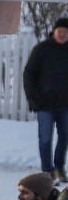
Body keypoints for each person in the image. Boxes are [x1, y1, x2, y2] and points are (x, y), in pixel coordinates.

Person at [24, 15, 68, 178]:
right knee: (45, 139)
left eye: (65, 31)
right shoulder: (41, 50)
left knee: (65, 137)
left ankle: (59, 167)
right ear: (54, 31)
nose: (62, 34)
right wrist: (32, 98)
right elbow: (29, 74)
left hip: (65, 104)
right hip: (44, 104)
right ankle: (47, 171)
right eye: (59, 31)